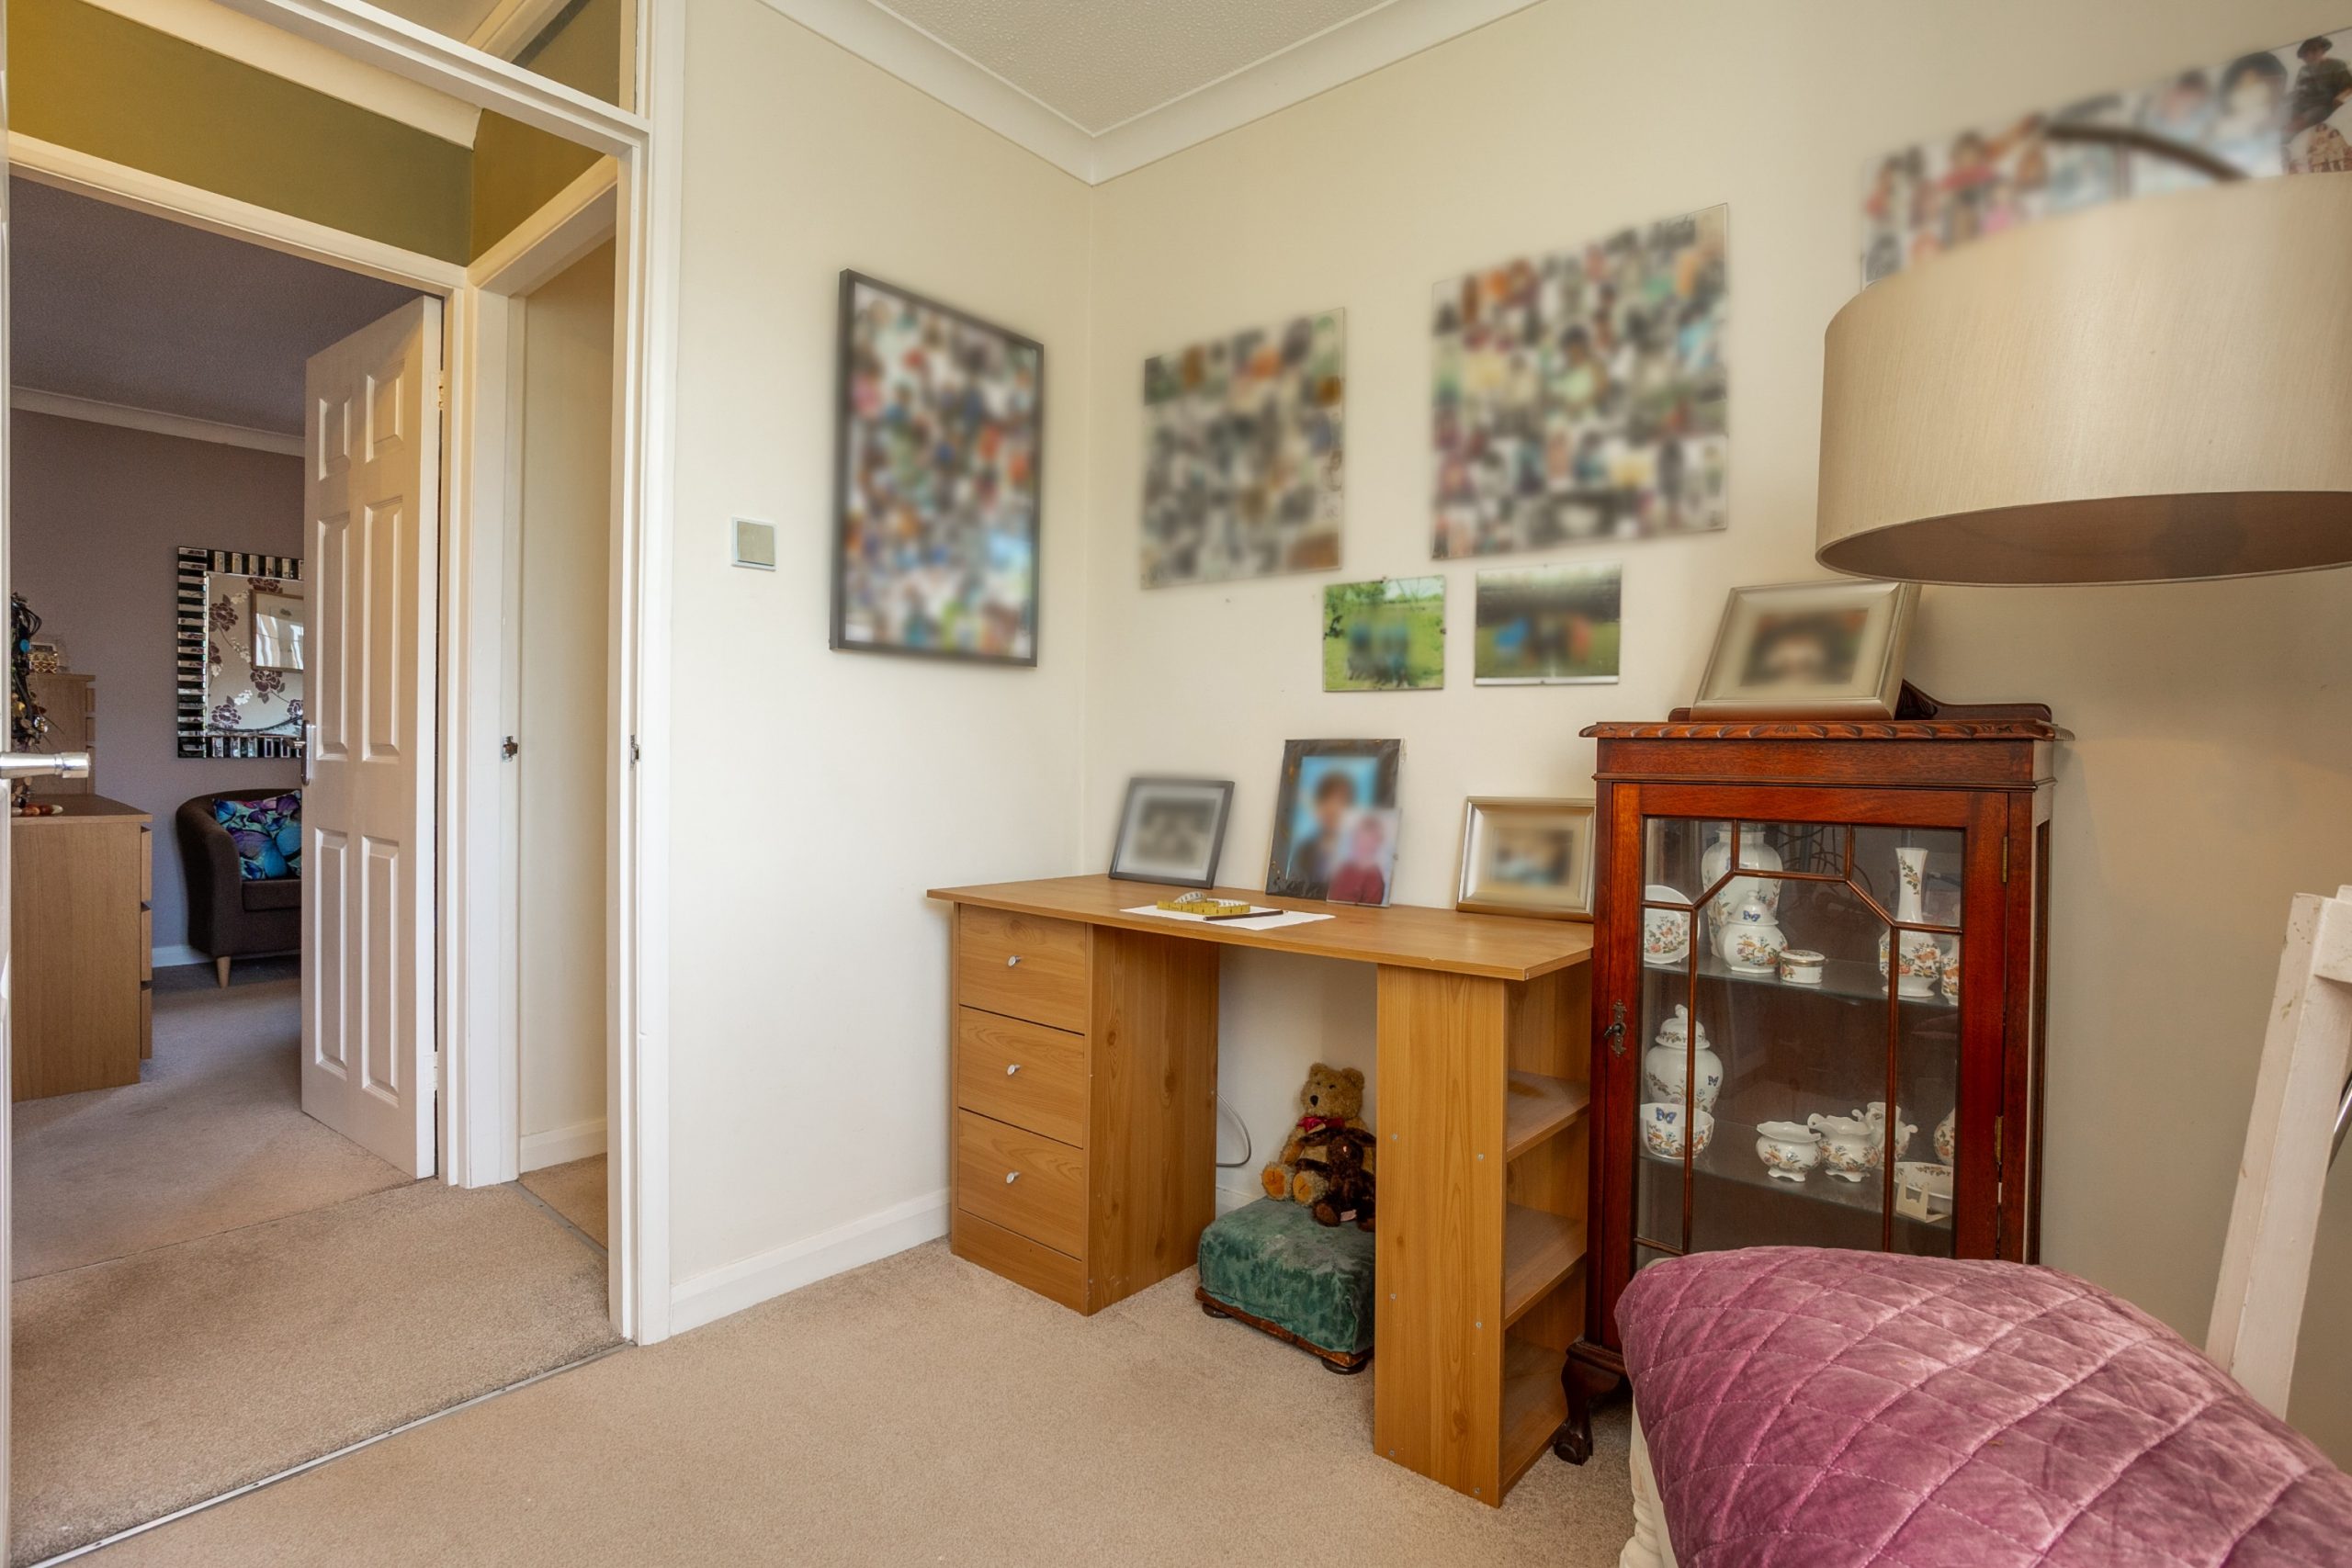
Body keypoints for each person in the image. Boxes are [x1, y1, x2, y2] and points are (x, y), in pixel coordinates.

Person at [1284, 769, 1359, 897]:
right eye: (1326, 799)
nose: (1332, 808)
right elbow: (1292, 892)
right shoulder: (1304, 852)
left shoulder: (1360, 854)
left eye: (1341, 801)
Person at [1327, 813, 1392, 907]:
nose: (1362, 844)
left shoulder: (1374, 878)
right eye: (1359, 838)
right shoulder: (1344, 868)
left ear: (1376, 843)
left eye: (1368, 840)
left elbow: (1368, 912)